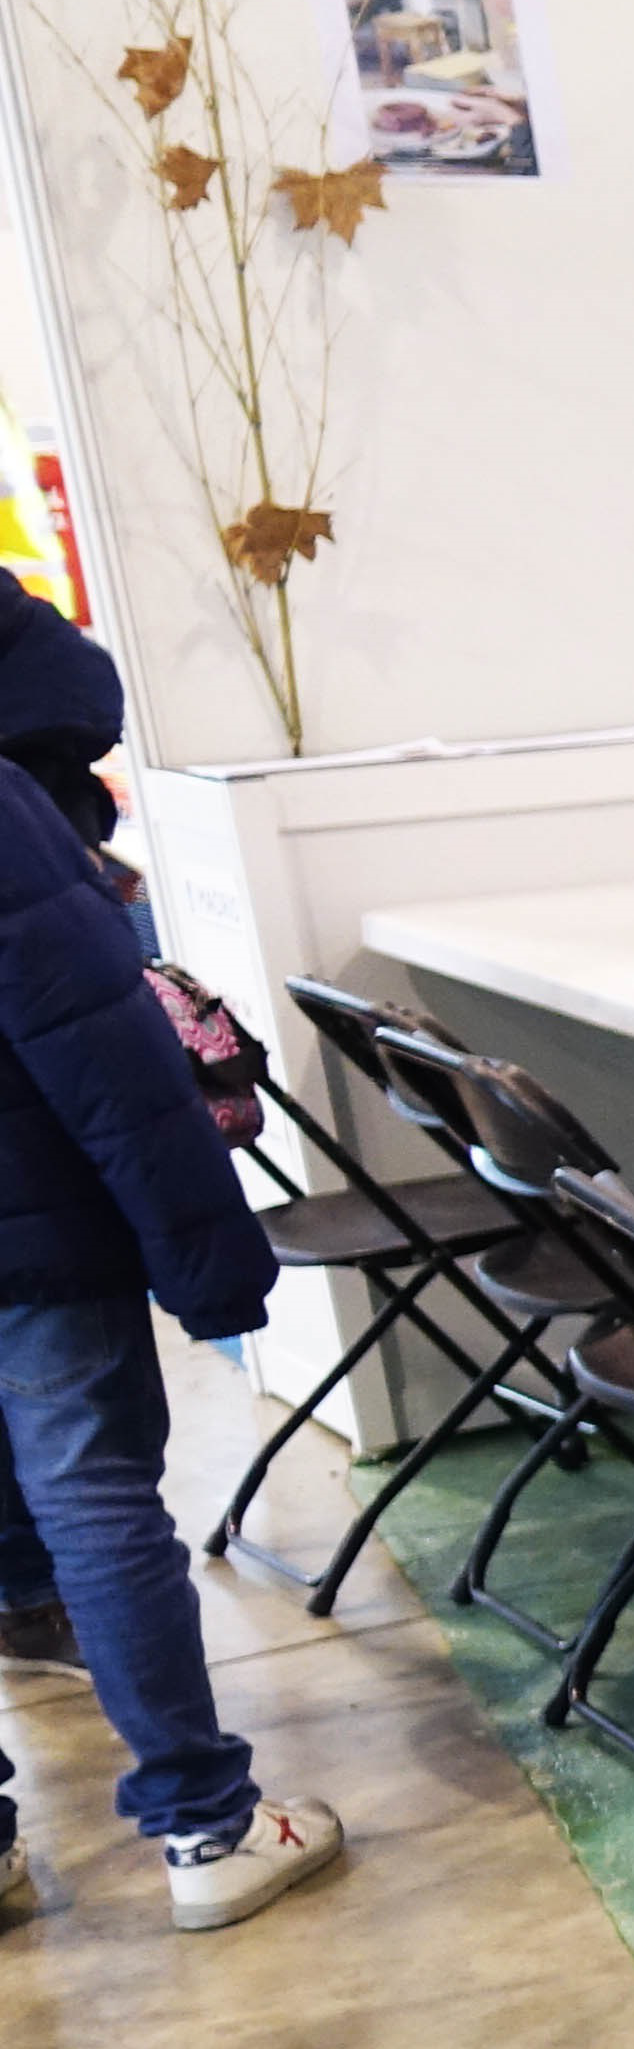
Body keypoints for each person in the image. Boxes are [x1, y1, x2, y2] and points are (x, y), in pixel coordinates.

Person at [0, 580, 333, 1935]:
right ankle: (209, 1829)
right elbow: (109, 1056)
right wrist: (210, 1261)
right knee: (97, 1502)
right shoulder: (11, 812)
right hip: (35, 1232)